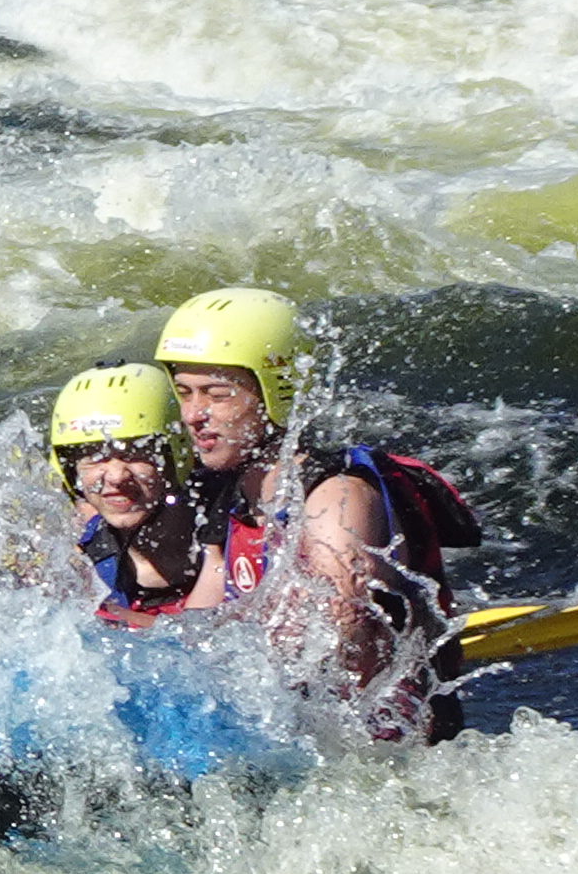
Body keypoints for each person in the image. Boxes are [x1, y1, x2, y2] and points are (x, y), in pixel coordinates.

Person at [151, 287, 481, 735]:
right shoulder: (233, 495)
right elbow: (200, 628)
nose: (193, 415)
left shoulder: (336, 498)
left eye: (217, 394)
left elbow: (350, 636)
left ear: (276, 393)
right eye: (185, 393)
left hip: (383, 751)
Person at [47, 360, 201, 619]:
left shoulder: (226, 537)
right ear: (71, 472)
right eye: (95, 457)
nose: (117, 477)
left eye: (136, 453)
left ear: (175, 456)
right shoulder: (78, 566)